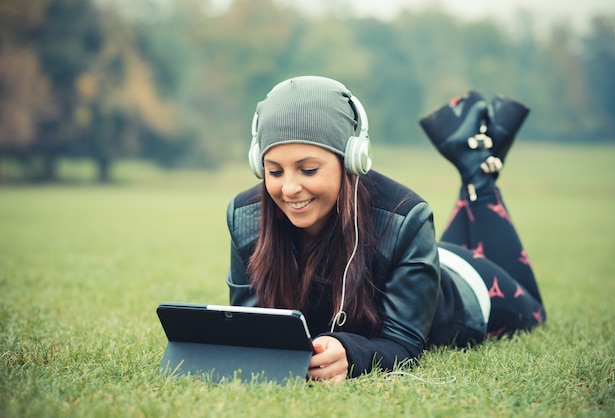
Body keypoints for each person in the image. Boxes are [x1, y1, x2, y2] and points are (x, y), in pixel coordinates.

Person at [226, 76, 546, 384]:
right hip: (423, 259)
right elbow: (249, 324)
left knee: (536, 311)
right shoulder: (244, 217)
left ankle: (478, 174)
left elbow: (404, 343)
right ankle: (475, 160)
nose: (289, 187)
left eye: (308, 169)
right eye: (274, 171)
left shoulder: (407, 217)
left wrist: (352, 354)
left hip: (468, 285)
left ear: (351, 159)